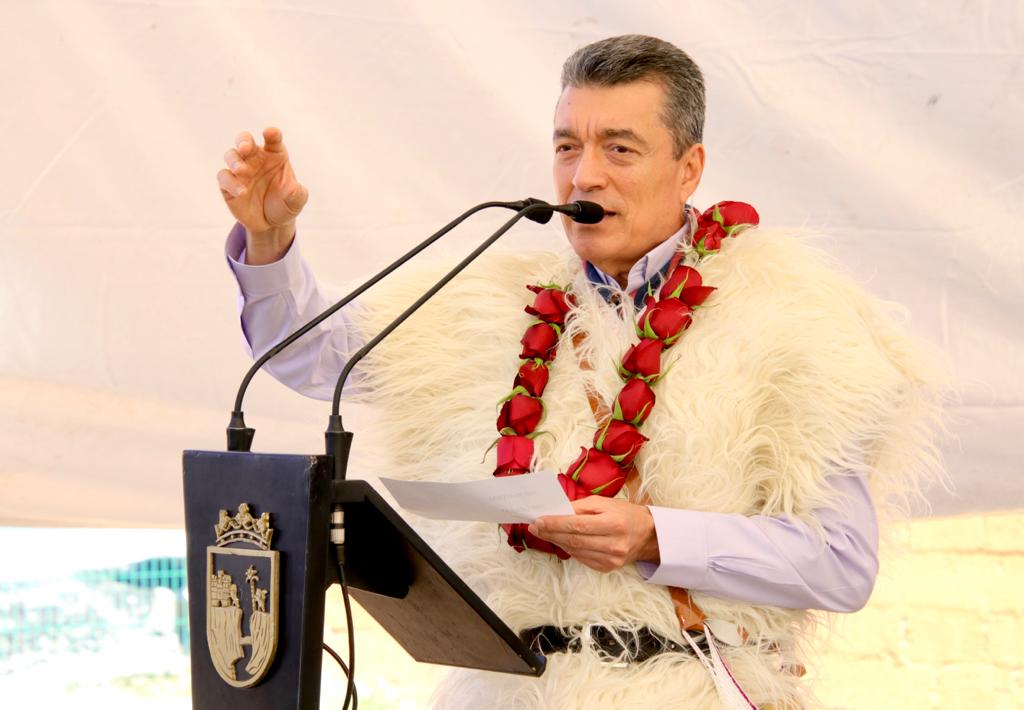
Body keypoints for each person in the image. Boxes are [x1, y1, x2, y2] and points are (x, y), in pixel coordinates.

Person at [218, 35, 944, 709]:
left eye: (620, 148)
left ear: (689, 168)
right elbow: (308, 352)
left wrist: (659, 537)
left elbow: (840, 565)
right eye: (568, 146)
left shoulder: (792, 317)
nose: (584, 174)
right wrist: (269, 239)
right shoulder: (487, 305)